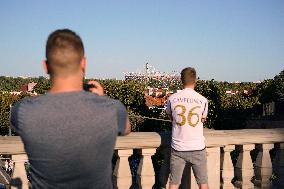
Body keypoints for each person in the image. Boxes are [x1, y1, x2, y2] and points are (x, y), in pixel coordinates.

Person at [10, 29, 131, 189]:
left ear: (45, 66)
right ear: (83, 63)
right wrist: (101, 100)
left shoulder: (21, 111)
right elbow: (127, 128)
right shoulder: (112, 109)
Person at [166, 67, 209, 189]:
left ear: (181, 80)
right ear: (195, 80)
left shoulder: (172, 99)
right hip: (197, 147)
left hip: (178, 148)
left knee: (174, 184)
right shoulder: (203, 100)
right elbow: (202, 119)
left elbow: (171, 117)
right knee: (203, 183)